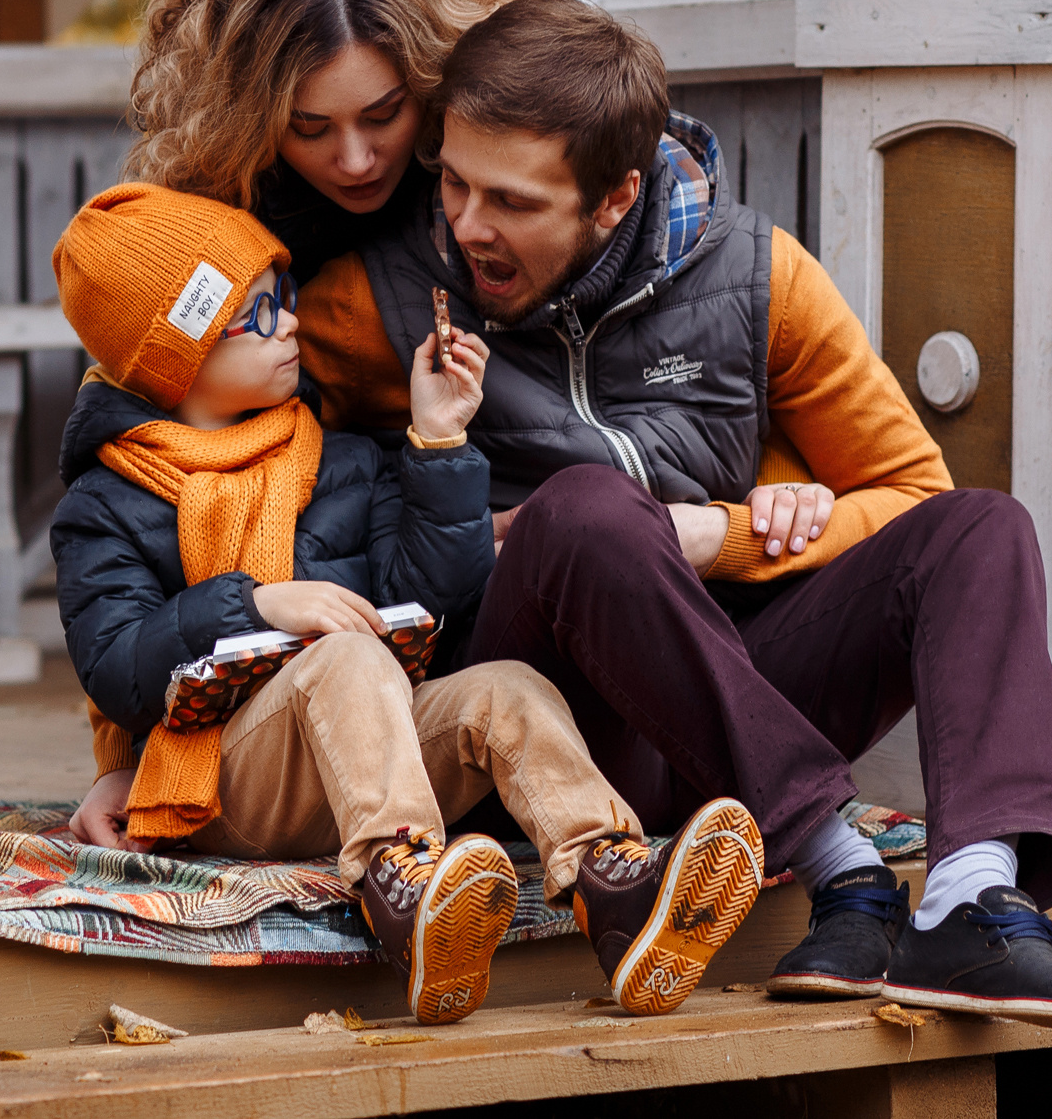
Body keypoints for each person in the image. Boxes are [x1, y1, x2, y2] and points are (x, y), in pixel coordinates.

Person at [292, 0, 1052, 1031]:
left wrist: (728, 532)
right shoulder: (370, 302)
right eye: (455, 181)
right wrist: (134, 752)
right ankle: (841, 865)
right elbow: (189, 461)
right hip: (544, 729)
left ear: (612, 200)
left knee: (981, 526)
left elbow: (910, 490)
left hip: (721, 709)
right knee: (585, 512)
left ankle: (971, 897)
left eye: (511, 201)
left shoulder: (755, 275)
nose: (467, 223)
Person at [46, 183, 765, 1023]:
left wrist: (438, 438)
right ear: (177, 355)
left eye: (281, 297)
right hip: (224, 781)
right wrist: (255, 604)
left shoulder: (338, 457)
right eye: (253, 314)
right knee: (343, 654)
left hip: (362, 749)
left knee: (503, 689)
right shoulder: (105, 504)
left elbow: (434, 592)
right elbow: (116, 669)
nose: (288, 321)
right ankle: (408, 893)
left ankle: (614, 885)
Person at [125, 0, 530, 285]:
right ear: (244, 123)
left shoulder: (491, 148)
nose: (356, 163)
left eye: (384, 115)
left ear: (432, 81)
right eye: (310, 129)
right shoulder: (219, 201)